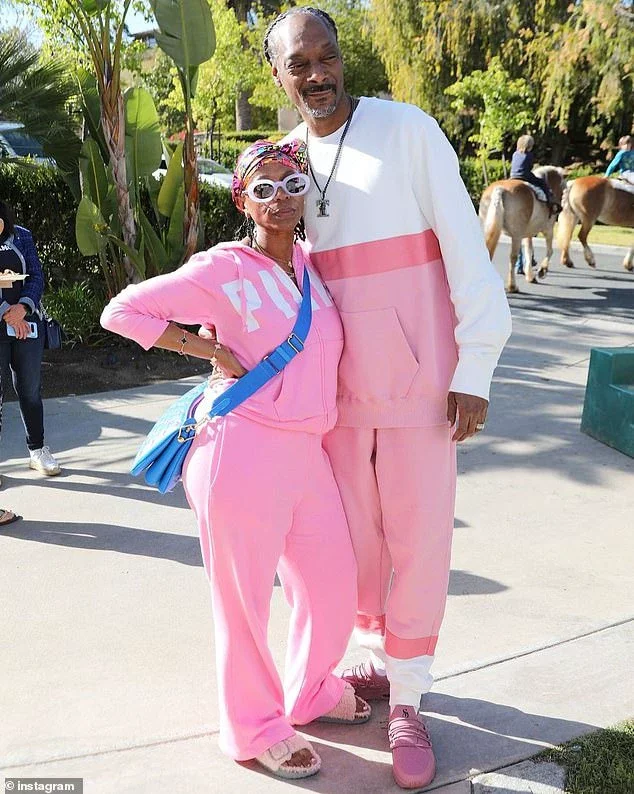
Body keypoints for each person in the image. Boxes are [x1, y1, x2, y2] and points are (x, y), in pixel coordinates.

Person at [255, 8, 512, 789]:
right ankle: (371, 664)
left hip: (421, 387)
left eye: (325, 57)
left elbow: (467, 249)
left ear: (343, 59)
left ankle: (408, 699)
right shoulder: (286, 160)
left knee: (420, 540)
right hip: (332, 399)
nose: (317, 74)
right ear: (279, 76)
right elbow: (272, 274)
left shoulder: (408, 131)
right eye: (299, 64)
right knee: (352, 548)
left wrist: (478, 365)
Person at [100, 140, 370, 780]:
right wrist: (208, 351)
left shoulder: (311, 264)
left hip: (308, 450)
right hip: (240, 447)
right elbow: (123, 311)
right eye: (264, 187)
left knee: (333, 587)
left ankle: (308, 691)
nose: (280, 198)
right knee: (245, 601)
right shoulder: (225, 267)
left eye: (291, 183)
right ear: (243, 199)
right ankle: (254, 727)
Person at [0, 201, 61, 476]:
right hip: (5, 323)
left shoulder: (22, 235)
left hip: (27, 326)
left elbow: (36, 275)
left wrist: (23, 307)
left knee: (30, 390)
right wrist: (6, 313)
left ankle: (37, 450)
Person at [510, 134, 561, 215]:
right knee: (542, 183)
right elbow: (529, 167)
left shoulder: (515, 154)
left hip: (513, 176)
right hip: (524, 176)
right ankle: (550, 202)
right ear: (530, 146)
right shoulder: (529, 155)